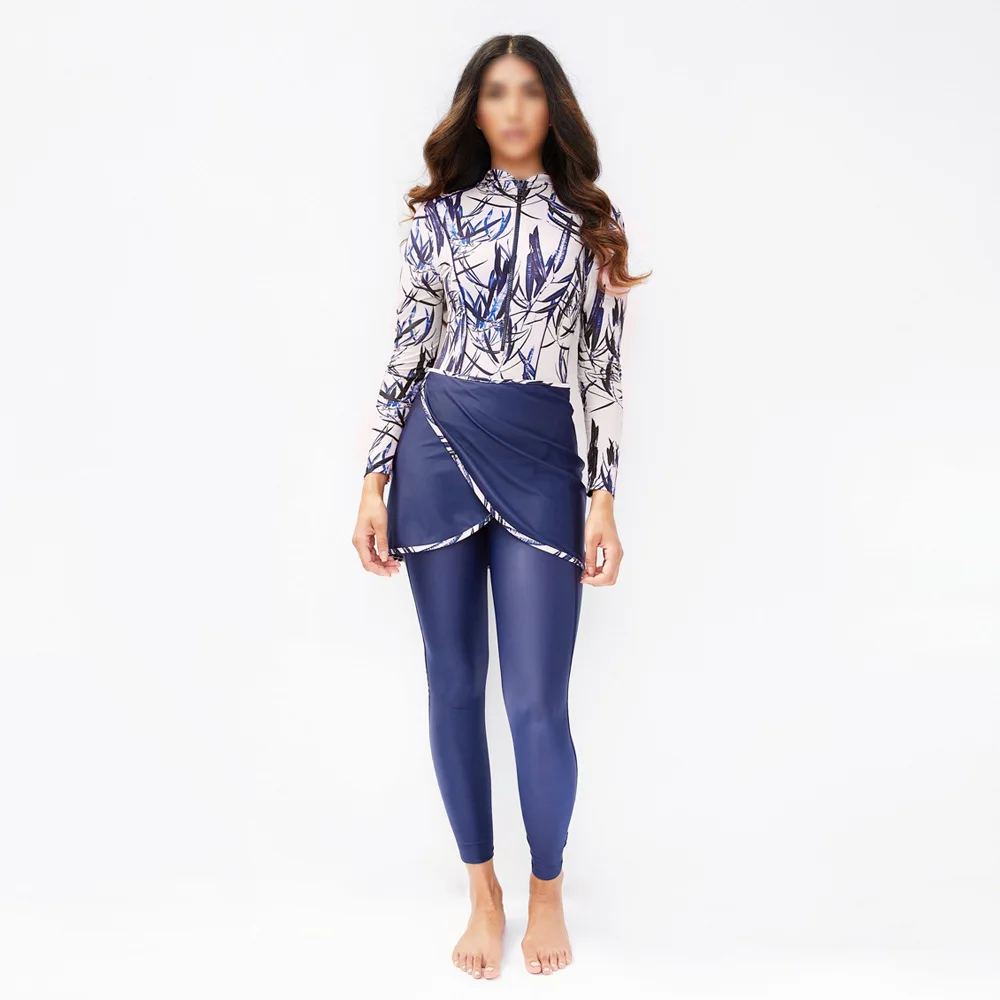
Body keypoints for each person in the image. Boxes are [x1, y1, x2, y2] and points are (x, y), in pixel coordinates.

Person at [352, 34, 650, 980]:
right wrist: (373, 477)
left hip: (542, 455)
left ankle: (546, 888)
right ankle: (483, 890)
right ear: (473, 110)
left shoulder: (591, 223)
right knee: (452, 682)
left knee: (534, 701)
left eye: (529, 92)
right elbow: (406, 349)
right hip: (437, 445)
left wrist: (603, 496)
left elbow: (602, 373)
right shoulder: (435, 220)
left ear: (551, 107)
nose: (513, 109)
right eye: (495, 93)